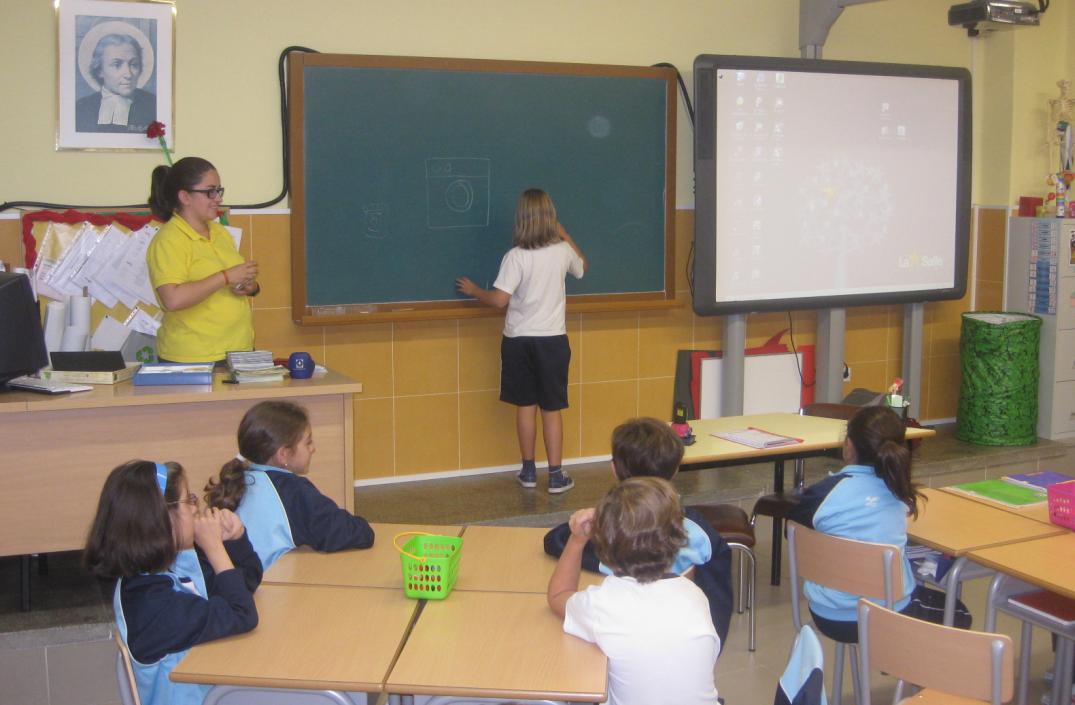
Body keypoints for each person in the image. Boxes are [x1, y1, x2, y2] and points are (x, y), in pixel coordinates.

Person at [543, 417, 735, 649]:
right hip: (692, 641)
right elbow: (719, 595)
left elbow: (555, 541)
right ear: (675, 470)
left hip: (620, 639)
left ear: (614, 469)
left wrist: (584, 527)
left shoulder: (614, 528)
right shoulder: (700, 531)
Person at [83, 460, 260, 705]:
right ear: (163, 519)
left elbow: (243, 586)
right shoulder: (154, 605)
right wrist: (215, 549)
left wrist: (235, 539)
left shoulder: (158, 573)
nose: (195, 509)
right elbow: (242, 614)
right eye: (189, 501)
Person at [788, 405, 970, 642]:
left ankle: (891, 658)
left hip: (827, 616)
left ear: (849, 446)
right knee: (959, 613)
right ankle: (901, 664)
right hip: (886, 617)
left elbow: (796, 535)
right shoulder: (899, 491)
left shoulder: (823, 495)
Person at [456, 188, 586, 494]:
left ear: (521, 220)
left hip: (518, 341)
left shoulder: (515, 257)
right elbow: (582, 268)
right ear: (551, 218)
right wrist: (565, 235)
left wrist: (476, 291)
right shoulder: (562, 251)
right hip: (552, 341)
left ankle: (528, 471)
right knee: (551, 409)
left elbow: (500, 300)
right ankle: (555, 475)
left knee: (525, 406)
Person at [547, 476, 721, 705]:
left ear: (604, 546)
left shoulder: (603, 603)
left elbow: (558, 595)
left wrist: (577, 540)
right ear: (678, 538)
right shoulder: (695, 595)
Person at [204, 400, 375, 570]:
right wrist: (363, 526)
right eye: (308, 442)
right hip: (268, 587)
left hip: (231, 582)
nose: (313, 448)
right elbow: (344, 532)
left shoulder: (238, 479)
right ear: (283, 454)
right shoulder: (293, 490)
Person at [146, 157, 259, 363]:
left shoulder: (219, 232)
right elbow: (173, 299)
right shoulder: (169, 239)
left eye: (219, 191)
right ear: (185, 197)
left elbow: (229, 283)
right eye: (210, 191)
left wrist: (246, 285)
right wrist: (225, 277)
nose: (218, 198)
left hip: (238, 351)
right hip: (193, 357)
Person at [75, 32, 156, 133]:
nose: (128, 74)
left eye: (134, 64)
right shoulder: (80, 108)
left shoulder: (153, 105)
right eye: (117, 65)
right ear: (100, 70)